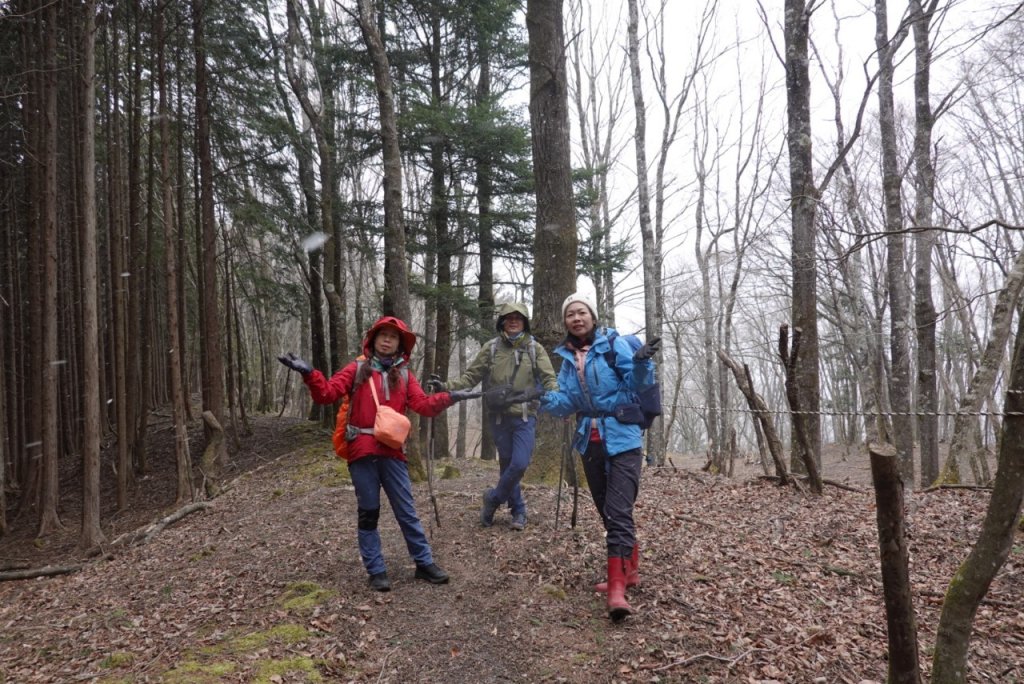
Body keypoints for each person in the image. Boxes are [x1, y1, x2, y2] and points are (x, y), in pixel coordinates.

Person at [278, 316, 476, 593]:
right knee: (369, 512)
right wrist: (310, 373)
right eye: (382, 335)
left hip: (393, 452)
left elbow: (423, 405)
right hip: (361, 450)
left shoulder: (405, 375)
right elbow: (326, 394)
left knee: (406, 511)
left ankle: (424, 563)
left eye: (393, 337)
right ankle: (376, 570)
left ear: (400, 344)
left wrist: (451, 397)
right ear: (373, 340)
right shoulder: (357, 368)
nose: (387, 340)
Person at [518, 293, 660, 621]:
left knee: (618, 509)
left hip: (623, 438)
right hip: (589, 441)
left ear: (593, 317)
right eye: (570, 315)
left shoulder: (614, 346)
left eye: (581, 312)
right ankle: (629, 570)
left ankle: (616, 589)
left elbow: (640, 382)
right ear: (566, 322)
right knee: (606, 511)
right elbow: (567, 401)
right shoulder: (568, 358)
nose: (576, 318)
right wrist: (542, 398)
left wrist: (641, 361)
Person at [427, 302, 558, 531]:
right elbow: (470, 377)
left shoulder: (535, 349)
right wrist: (445, 386)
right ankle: (518, 511)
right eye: (509, 318)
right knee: (507, 464)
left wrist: (556, 398)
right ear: (502, 322)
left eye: (518, 317)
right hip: (498, 418)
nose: (514, 321)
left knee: (519, 464)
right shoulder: (492, 348)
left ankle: (493, 498)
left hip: (525, 416)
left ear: (525, 322)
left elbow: (549, 379)